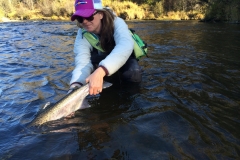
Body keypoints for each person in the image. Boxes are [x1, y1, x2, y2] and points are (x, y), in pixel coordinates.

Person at [69, 0, 142, 95]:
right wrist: (75, 87)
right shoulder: (82, 34)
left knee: (134, 73)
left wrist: (101, 71)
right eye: (80, 18)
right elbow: (82, 63)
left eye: (89, 16)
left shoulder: (117, 22)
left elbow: (126, 45)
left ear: (101, 14)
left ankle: (131, 97)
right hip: (100, 62)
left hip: (122, 59)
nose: (85, 22)